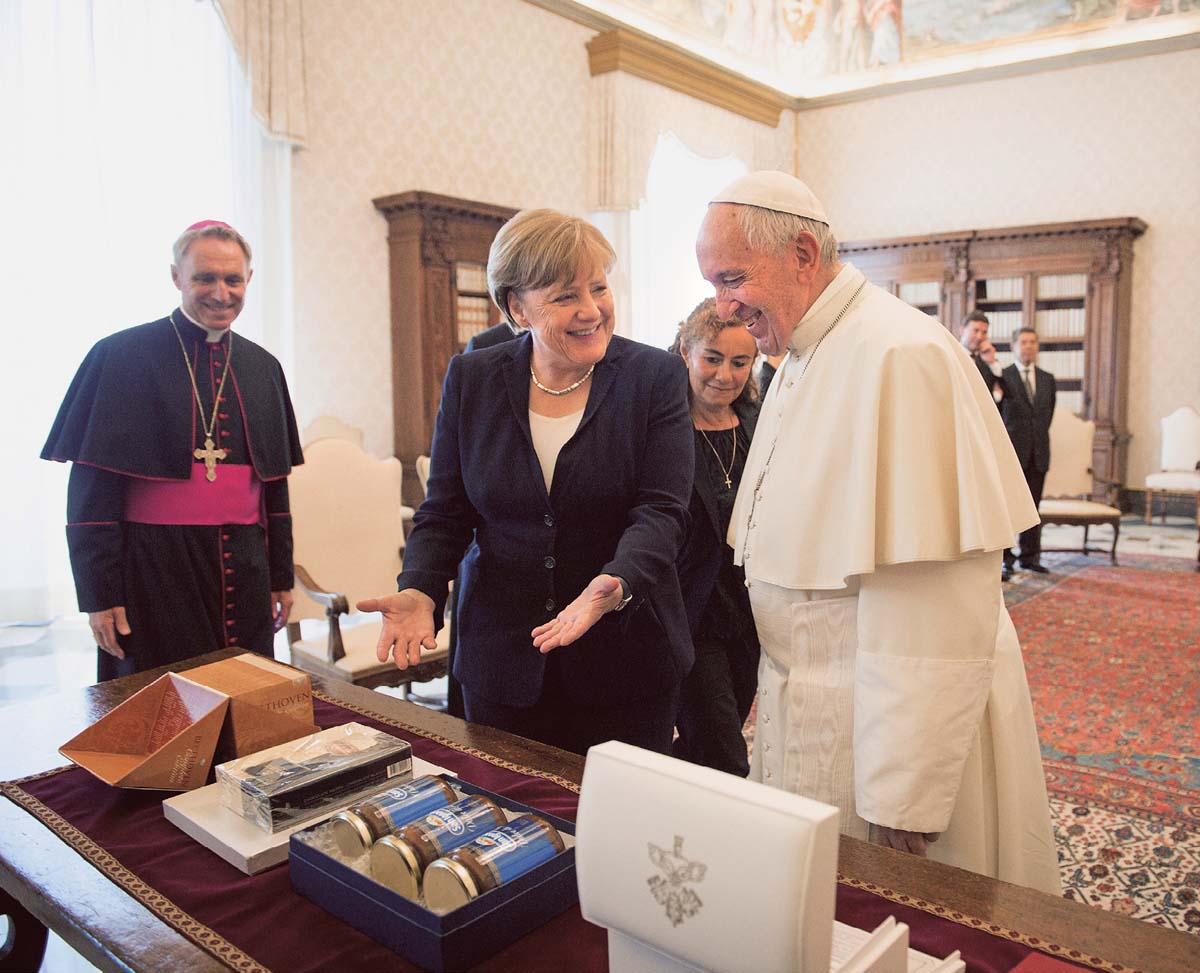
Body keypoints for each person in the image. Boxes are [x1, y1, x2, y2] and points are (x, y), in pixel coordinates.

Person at [695, 171, 1061, 895]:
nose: (722, 304)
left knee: (901, 920)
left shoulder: (902, 356)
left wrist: (905, 790)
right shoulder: (801, 355)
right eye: (712, 282)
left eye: (733, 277)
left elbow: (935, 602)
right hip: (810, 706)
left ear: (803, 253)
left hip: (880, 734)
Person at [359, 209, 694, 756]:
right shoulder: (473, 379)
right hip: (502, 660)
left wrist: (616, 582)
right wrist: (420, 585)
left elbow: (661, 510)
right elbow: (445, 510)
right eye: (565, 297)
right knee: (502, 817)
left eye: (599, 288)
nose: (592, 311)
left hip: (624, 656)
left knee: (616, 830)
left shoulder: (653, 377)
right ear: (516, 306)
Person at [42, 221, 303, 680]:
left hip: (244, 565)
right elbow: (92, 493)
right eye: (205, 278)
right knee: (158, 705)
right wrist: (99, 594)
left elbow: (275, 490)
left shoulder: (263, 367)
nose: (221, 293)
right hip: (152, 568)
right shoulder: (120, 356)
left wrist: (280, 576)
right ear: (176, 277)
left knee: (247, 698)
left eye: (233, 279)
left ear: (249, 280)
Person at [670, 299, 760, 777]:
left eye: (740, 362)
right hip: (688, 615)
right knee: (728, 757)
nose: (725, 375)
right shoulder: (662, 428)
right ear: (686, 352)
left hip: (748, 616)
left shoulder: (758, 425)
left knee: (708, 748)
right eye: (712, 358)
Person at [1000, 327, 1057, 578]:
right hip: (1011, 454)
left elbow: (1047, 416)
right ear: (1013, 346)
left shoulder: (1047, 379)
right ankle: (1005, 559)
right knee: (1006, 509)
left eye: (1033, 342)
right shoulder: (1003, 376)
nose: (1028, 346)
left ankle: (1030, 557)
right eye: (1023, 342)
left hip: (1038, 454)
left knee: (1033, 509)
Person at [960, 309, 1003, 403]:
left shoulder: (986, 362)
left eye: (984, 332)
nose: (980, 337)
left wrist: (992, 363)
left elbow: (1008, 396)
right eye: (975, 330)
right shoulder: (952, 355)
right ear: (962, 330)